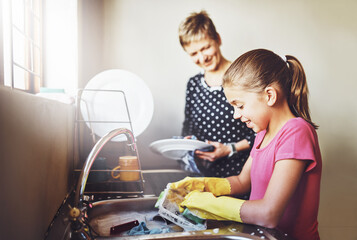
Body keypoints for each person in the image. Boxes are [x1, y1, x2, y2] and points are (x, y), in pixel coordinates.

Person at [169, 49, 322, 240]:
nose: (235, 114)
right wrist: (202, 185)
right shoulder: (262, 133)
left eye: (239, 105)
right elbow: (242, 182)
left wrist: (209, 204)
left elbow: (269, 214)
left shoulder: (296, 132)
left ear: (269, 96)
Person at [178, 10, 255, 181]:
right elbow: (188, 126)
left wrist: (230, 149)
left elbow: (265, 130)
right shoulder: (193, 84)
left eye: (205, 47)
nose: (202, 57)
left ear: (218, 39)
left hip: (243, 176)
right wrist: (188, 141)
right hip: (205, 179)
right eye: (193, 53)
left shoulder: (242, 76)